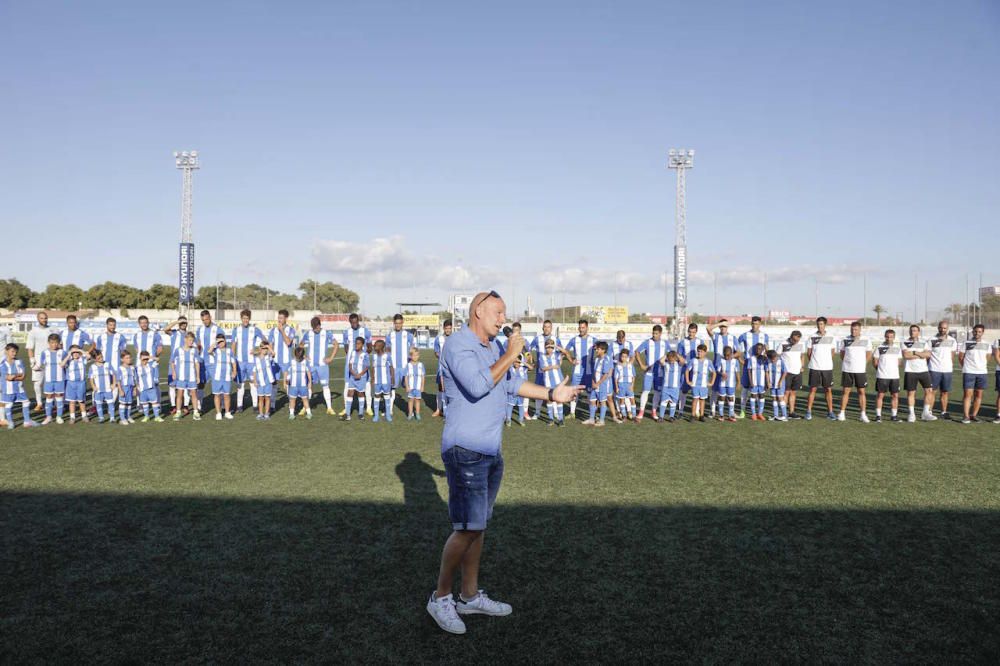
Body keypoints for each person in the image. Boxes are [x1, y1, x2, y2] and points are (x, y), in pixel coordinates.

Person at [427, 290, 580, 635]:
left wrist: (552, 394)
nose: (503, 318)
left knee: (477, 526)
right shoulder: (458, 345)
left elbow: (510, 383)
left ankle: (468, 596)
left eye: (504, 313)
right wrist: (512, 353)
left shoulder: (494, 349)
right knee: (467, 528)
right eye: (498, 312)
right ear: (478, 311)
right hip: (465, 449)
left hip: (489, 451)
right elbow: (480, 384)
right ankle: (440, 597)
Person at [300, 317, 339, 415]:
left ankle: (329, 408)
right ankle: (305, 407)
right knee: (308, 385)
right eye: (313, 328)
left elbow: (336, 345)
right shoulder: (308, 334)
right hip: (310, 365)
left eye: (316, 327)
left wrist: (330, 358)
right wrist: (304, 356)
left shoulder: (326, 333)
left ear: (319, 325)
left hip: (322, 366)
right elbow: (300, 345)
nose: (315, 330)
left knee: (325, 386)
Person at [527, 320, 565, 418]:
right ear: (542, 328)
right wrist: (533, 361)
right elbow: (529, 350)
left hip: (553, 372)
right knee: (539, 392)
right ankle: (537, 412)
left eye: (548, 327)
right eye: (545, 326)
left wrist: (560, 361)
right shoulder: (537, 339)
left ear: (551, 328)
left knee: (555, 391)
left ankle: (556, 412)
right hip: (541, 371)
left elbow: (562, 352)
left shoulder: (556, 339)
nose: (546, 328)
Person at [634, 325, 670, 421]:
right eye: (653, 333)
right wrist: (641, 365)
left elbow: (670, 355)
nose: (654, 335)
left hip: (660, 373)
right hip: (649, 372)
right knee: (646, 391)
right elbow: (636, 352)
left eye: (656, 334)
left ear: (660, 334)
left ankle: (654, 411)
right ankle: (641, 412)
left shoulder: (665, 343)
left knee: (657, 392)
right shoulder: (647, 342)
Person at [901, 324, 936, 422]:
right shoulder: (904, 342)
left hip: (923, 370)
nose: (913, 332)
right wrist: (921, 354)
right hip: (910, 371)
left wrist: (915, 352)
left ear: (918, 332)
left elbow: (928, 355)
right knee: (911, 393)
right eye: (911, 330)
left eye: (915, 330)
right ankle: (911, 414)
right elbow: (906, 355)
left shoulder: (924, 342)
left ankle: (925, 413)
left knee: (929, 391)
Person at [805, 317, 838, 421]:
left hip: (827, 368)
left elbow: (833, 352)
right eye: (818, 324)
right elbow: (809, 353)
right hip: (814, 367)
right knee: (813, 389)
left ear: (825, 325)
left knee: (828, 389)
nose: (820, 326)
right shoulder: (812, 337)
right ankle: (808, 412)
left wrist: (826, 361)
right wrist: (814, 362)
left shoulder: (831, 337)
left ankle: (830, 412)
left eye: (822, 324)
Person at [838, 321, 871, 423]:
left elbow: (869, 354)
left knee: (861, 392)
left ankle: (863, 414)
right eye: (852, 329)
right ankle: (842, 413)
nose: (853, 331)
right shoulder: (845, 340)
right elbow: (842, 354)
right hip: (847, 370)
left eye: (856, 329)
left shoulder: (866, 340)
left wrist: (862, 364)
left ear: (860, 330)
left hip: (860, 371)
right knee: (846, 391)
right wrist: (848, 363)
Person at [562, 319, 595, 421]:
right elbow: (565, 351)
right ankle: (572, 413)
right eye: (580, 327)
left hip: (589, 372)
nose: (581, 329)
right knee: (574, 392)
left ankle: (591, 415)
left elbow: (601, 352)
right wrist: (571, 360)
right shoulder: (574, 340)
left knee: (590, 393)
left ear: (587, 328)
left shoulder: (594, 340)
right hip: (577, 371)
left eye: (583, 327)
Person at [737, 316, 770, 418]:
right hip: (748, 366)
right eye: (753, 323)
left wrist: (766, 357)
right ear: (751, 324)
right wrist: (740, 360)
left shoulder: (765, 336)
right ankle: (742, 411)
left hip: (760, 367)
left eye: (756, 324)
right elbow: (737, 349)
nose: (754, 326)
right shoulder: (744, 335)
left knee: (759, 390)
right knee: (745, 389)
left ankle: (757, 413)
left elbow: (767, 350)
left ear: (760, 324)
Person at [232, 310, 264, 414]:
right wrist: (232, 359)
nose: (245, 320)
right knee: (240, 384)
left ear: (249, 319)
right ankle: (239, 406)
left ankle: (255, 405)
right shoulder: (236, 330)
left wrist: (257, 350)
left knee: (252, 383)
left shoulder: (254, 329)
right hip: (240, 362)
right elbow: (233, 345)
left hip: (251, 362)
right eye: (243, 318)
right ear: (241, 318)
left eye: (247, 318)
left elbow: (265, 341)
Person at [341, 313, 372, 416]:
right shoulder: (346, 333)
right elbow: (346, 347)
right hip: (350, 364)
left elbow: (369, 346)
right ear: (350, 322)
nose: (354, 324)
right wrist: (351, 358)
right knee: (347, 385)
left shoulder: (365, 331)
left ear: (358, 321)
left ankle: (368, 408)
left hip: (362, 364)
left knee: (366, 385)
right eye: (352, 322)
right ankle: (346, 408)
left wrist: (363, 357)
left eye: (356, 322)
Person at [2, 343, 38, 429]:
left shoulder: (19, 361)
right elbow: (8, 378)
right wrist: (16, 375)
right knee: (9, 404)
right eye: (12, 351)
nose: (14, 353)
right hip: (8, 389)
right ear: (6, 351)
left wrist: (13, 376)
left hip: (19, 388)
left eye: (16, 352)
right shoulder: (3, 364)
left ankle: (27, 421)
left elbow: (23, 376)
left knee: (26, 402)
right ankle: (10, 422)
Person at [959, 323, 989, 424]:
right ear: (973, 332)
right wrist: (967, 367)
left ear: (983, 333)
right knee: (968, 394)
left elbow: (988, 357)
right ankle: (966, 416)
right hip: (969, 372)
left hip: (982, 372)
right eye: (975, 331)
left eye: (979, 332)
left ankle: (974, 415)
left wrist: (981, 366)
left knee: (979, 394)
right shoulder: (966, 343)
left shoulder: (986, 344)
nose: (977, 333)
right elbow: (961, 357)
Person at [928, 320, 958, 419]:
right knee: (932, 391)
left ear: (947, 329)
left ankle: (943, 412)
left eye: (944, 328)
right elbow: (927, 355)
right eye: (941, 328)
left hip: (947, 370)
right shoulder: (931, 340)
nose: (942, 330)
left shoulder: (952, 340)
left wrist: (949, 365)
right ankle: (929, 412)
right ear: (938, 328)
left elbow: (952, 355)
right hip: (934, 369)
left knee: (945, 392)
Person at [386, 314, 415, 416]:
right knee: (392, 388)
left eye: (400, 323)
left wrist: (411, 364)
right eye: (396, 323)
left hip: (405, 367)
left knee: (408, 388)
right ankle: (389, 410)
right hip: (394, 367)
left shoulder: (409, 336)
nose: (398, 325)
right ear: (394, 323)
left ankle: (410, 411)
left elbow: (412, 350)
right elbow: (388, 351)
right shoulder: (390, 336)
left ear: (402, 323)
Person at [268, 309, 298, 407]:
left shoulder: (291, 330)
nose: (279, 320)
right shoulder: (273, 330)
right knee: (274, 383)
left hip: (286, 361)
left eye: (281, 318)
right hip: (275, 361)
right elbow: (270, 344)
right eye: (278, 318)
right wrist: (270, 352)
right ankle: (272, 406)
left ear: (286, 318)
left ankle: (291, 405)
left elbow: (288, 342)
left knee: (287, 383)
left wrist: (282, 331)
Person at [708, 320, 738, 416]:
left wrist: (730, 358)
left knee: (730, 390)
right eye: (721, 326)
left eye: (725, 326)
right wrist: (720, 323)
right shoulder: (716, 336)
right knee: (714, 390)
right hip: (716, 368)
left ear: (727, 327)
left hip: (729, 369)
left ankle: (731, 412)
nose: (723, 328)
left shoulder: (732, 338)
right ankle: (712, 411)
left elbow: (739, 352)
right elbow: (708, 328)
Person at [677, 323, 707, 415]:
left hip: (697, 372)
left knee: (697, 392)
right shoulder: (682, 342)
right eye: (690, 332)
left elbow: (703, 354)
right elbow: (678, 354)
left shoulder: (700, 341)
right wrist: (680, 358)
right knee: (684, 390)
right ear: (687, 331)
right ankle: (680, 411)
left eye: (693, 332)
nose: (691, 334)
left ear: (696, 332)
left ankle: (697, 412)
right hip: (685, 369)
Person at [162, 317, 191, 412]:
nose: (183, 324)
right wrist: (177, 321)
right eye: (181, 323)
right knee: (172, 385)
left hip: (185, 362)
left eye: (184, 322)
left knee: (186, 385)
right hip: (174, 362)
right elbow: (165, 329)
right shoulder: (174, 333)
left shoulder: (189, 335)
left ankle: (185, 406)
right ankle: (173, 406)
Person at [26, 311, 52, 414]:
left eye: (45, 318)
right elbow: (29, 347)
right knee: (38, 383)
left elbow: (59, 344)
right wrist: (32, 361)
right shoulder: (33, 331)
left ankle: (52, 403)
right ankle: (39, 403)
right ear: (38, 319)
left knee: (51, 382)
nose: (44, 320)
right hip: (38, 360)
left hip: (51, 360)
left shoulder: (52, 330)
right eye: (42, 318)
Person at [873, 329, 902, 423]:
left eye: (891, 337)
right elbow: (875, 362)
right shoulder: (879, 348)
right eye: (887, 336)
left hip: (894, 376)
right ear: (885, 337)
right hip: (882, 376)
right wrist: (881, 370)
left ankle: (894, 416)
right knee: (880, 395)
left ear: (894, 337)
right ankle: (878, 416)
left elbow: (899, 362)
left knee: (895, 395)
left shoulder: (897, 348)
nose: (889, 338)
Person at [171, 332, 201, 421]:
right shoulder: (178, 350)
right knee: (179, 394)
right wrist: (174, 372)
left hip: (192, 377)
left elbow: (197, 363)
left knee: (194, 394)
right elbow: (172, 361)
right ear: (185, 339)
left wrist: (198, 376)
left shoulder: (194, 350)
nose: (191, 342)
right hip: (181, 377)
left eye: (192, 340)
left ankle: (196, 412)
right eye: (190, 340)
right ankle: (178, 412)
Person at [196, 310, 224, 403]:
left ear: (210, 317)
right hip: (202, 362)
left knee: (218, 384)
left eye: (207, 319)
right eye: (203, 320)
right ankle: (200, 407)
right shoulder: (200, 329)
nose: (205, 321)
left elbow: (223, 345)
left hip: (213, 362)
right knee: (200, 384)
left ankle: (222, 406)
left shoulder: (217, 329)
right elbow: (198, 344)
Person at [39, 333, 67, 425]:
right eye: (52, 342)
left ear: (59, 343)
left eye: (56, 342)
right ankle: (48, 417)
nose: (54, 344)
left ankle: (59, 416)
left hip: (60, 379)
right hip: (49, 380)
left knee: (59, 397)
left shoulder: (63, 352)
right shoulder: (44, 353)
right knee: (49, 397)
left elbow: (67, 364)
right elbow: (42, 364)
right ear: (48, 343)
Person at [585, 341, 615, 426]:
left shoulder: (606, 359)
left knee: (602, 402)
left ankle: (602, 421)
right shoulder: (597, 358)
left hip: (602, 385)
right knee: (592, 401)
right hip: (595, 384)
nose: (596, 350)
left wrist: (597, 383)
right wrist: (593, 381)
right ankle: (591, 419)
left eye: (598, 349)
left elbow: (606, 374)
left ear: (603, 350)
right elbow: (595, 372)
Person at [779, 331, 806, 418]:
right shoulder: (783, 344)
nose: (796, 342)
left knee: (793, 392)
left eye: (797, 340)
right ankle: (784, 413)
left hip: (797, 372)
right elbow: (777, 356)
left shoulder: (800, 344)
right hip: (787, 373)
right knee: (786, 392)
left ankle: (791, 412)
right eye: (794, 340)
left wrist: (802, 366)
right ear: (791, 337)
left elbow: (802, 355)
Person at [210, 334, 237, 420]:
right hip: (217, 377)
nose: (221, 343)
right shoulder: (215, 351)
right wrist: (216, 342)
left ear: (225, 341)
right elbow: (209, 350)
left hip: (227, 377)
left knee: (227, 395)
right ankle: (218, 413)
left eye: (222, 341)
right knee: (217, 395)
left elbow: (233, 362)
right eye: (219, 341)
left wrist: (234, 371)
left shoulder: (230, 351)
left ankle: (227, 412)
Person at [686, 344, 715, 422]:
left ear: (705, 352)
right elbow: (687, 370)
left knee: (702, 400)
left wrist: (711, 382)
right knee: (695, 399)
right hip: (695, 384)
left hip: (703, 385)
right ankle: (692, 415)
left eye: (701, 352)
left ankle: (701, 415)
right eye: (698, 351)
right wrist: (688, 380)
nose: (699, 353)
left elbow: (714, 372)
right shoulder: (693, 360)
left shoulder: (708, 362)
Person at [343, 336, 369, 421]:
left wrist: (360, 374)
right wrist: (353, 373)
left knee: (360, 394)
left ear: (362, 345)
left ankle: (360, 413)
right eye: (355, 343)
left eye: (358, 344)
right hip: (353, 377)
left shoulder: (365, 354)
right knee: (349, 393)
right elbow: (350, 365)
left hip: (361, 378)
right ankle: (347, 414)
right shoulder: (353, 353)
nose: (356, 345)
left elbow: (366, 367)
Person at [62, 345, 89, 423]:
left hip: (81, 383)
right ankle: (72, 417)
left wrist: (81, 350)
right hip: (71, 383)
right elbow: (62, 364)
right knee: (72, 401)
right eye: (74, 352)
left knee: (81, 400)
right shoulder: (68, 361)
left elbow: (88, 356)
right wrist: (69, 354)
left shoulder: (82, 359)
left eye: (77, 352)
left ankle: (84, 416)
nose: (75, 354)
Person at [88, 350, 117, 423]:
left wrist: (113, 383)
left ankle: (112, 418)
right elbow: (91, 378)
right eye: (99, 358)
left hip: (108, 389)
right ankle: (101, 418)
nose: (101, 359)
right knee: (98, 404)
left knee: (110, 403)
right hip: (98, 390)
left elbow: (113, 374)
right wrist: (93, 386)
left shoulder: (107, 364)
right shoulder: (92, 367)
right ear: (95, 359)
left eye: (101, 357)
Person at [432, 319, 453, 418]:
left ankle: (451, 410)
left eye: (450, 328)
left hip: (453, 368)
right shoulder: (439, 339)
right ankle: (438, 409)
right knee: (440, 389)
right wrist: (442, 358)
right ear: (444, 328)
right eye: (446, 328)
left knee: (452, 389)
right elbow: (436, 352)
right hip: (442, 368)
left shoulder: (455, 338)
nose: (448, 330)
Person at [370, 339, 395, 423]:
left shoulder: (387, 356)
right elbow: (373, 368)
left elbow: (391, 367)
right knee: (377, 397)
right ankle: (376, 415)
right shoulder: (374, 356)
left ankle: (388, 415)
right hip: (377, 381)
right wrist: (372, 378)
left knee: (387, 396)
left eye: (376, 345)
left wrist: (392, 378)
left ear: (381, 347)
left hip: (386, 381)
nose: (374, 346)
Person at [286, 346, 313, 420]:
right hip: (293, 385)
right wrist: (286, 380)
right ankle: (291, 414)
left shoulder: (305, 362)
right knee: (292, 399)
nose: (299, 358)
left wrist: (310, 382)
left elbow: (308, 372)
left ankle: (309, 413)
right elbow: (287, 371)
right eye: (298, 356)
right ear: (295, 355)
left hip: (303, 385)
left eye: (300, 356)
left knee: (305, 399)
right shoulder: (291, 362)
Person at [136, 351, 164, 423]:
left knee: (154, 403)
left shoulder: (151, 365)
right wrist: (136, 387)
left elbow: (157, 359)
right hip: (142, 389)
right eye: (143, 359)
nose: (145, 361)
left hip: (151, 388)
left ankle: (157, 417)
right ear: (140, 358)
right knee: (144, 403)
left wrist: (148, 357)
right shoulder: (137, 368)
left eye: (146, 359)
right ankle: (146, 416)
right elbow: (136, 379)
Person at [714, 346, 739, 422]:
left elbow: (737, 372)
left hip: (731, 383)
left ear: (732, 354)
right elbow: (717, 371)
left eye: (728, 355)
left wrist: (738, 382)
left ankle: (731, 415)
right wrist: (722, 374)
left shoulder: (735, 361)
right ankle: (721, 415)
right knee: (722, 398)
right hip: (722, 383)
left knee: (731, 398)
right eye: (725, 355)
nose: (727, 357)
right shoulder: (721, 361)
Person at [251, 342, 275, 420]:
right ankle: (261, 414)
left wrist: (268, 346)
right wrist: (255, 381)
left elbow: (273, 353)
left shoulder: (268, 357)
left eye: (266, 349)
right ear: (261, 349)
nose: (266, 350)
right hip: (260, 382)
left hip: (268, 381)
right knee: (260, 398)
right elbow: (254, 371)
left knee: (267, 398)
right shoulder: (256, 359)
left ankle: (266, 414)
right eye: (264, 348)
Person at [657, 351, 684, 422]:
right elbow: (661, 361)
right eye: (670, 359)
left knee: (673, 403)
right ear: (668, 358)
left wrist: (677, 354)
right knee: (663, 402)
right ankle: (661, 417)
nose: (671, 361)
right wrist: (666, 354)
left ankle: (671, 416)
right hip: (666, 387)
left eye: (673, 359)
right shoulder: (666, 364)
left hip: (675, 388)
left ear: (675, 358)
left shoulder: (678, 365)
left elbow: (682, 360)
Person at [505, 354, 530, 427]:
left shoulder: (523, 368)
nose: (516, 363)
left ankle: (521, 420)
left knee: (521, 405)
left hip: (521, 390)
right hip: (512, 390)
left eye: (518, 362)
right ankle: (508, 420)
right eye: (515, 362)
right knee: (510, 405)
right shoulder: (510, 368)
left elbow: (531, 367)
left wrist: (522, 361)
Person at [746, 343, 768, 421]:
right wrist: (751, 381)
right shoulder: (751, 359)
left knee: (761, 396)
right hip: (754, 382)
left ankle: (760, 414)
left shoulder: (764, 359)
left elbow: (766, 371)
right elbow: (749, 370)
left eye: (760, 349)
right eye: (757, 348)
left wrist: (767, 382)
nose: (758, 350)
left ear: (762, 350)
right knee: (753, 396)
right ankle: (753, 414)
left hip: (762, 382)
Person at [614, 350, 637, 421]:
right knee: (622, 401)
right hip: (621, 385)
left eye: (625, 357)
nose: (623, 358)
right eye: (622, 356)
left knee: (632, 400)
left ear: (627, 357)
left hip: (629, 385)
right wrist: (617, 387)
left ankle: (634, 416)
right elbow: (615, 378)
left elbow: (634, 376)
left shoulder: (630, 365)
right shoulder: (617, 366)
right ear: (620, 357)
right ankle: (624, 416)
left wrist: (632, 385)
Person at [115, 351, 137, 425]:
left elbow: (134, 379)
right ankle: (122, 419)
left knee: (129, 403)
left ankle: (128, 416)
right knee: (123, 403)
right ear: (122, 359)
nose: (129, 359)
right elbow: (118, 381)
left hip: (131, 387)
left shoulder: (132, 368)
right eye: (127, 358)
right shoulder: (120, 368)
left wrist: (134, 389)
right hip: (124, 387)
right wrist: (120, 390)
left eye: (129, 357)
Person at [765, 350, 788, 421]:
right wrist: (768, 382)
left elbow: (785, 372)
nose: (773, 360)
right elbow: (767, 372)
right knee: (774, 399)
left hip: (779, 384)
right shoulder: (767, 362)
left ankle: (784, 416)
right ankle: (776, 415)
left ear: (776, 356)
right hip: (772, 384)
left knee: (780, 398)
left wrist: (780, 382)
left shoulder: (781, 362)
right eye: (771, 359)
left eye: (774, 359)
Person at [404, 347, 426, 421]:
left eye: (417, 355)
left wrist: (422, 386)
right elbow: (406, 377)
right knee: (410, 400)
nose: (415, 357)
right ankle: (410, 414)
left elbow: (423, 376)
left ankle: (417, 413)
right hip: (411, 387)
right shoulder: (408, 365)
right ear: (410, 356)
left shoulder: (421, 365)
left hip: (418, 387)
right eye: (413, 355)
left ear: (419, 355)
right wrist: (407, 386)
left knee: (417, 401)